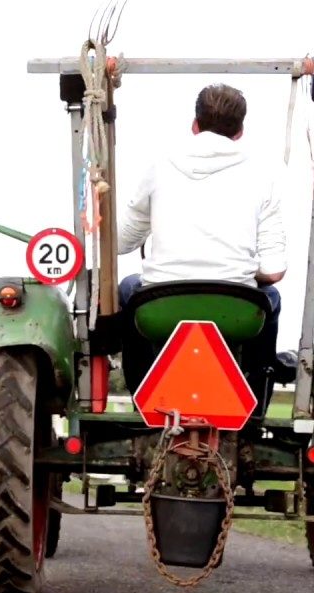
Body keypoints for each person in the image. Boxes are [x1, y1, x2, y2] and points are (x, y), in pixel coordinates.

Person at [116, 83, 288, 410]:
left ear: (194, 125)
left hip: (160, 307)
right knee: (271, 300)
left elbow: (122, 241)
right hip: (236, 310)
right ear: (239, 131)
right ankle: (254, 408)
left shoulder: (158, 165)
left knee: (127, 290)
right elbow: (274, 270)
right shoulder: (261, 174)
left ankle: (143, 401)